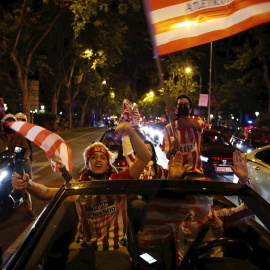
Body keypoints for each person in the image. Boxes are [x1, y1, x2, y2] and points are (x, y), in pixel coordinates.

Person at [12, 121, 152, 270]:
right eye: (94, 157)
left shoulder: (118, 183)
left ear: (108, 164)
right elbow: (45, 192)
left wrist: (131, 133)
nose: (98, 160)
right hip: (81, 250)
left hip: (114, 251)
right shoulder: (78, 187)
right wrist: (28, 183)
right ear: (88, 163)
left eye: (102, 157)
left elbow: (144, 158)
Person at [139, 150, 254, 267]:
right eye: (199, 194)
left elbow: (250, 209)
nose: (204, 198)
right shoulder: (179, 216)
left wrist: (245, 181)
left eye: (208, 194)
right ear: (192, 196)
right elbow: (158, 214)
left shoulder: (219, 215)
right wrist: (171, 180)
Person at [1, 113, 36, 219]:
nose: (9, 126)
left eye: (11, 124)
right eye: (7, 124)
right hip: (4, 163)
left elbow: (28, 150)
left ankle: (29, 209)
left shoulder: (19, 135)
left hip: (19, 163)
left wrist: (21, 156)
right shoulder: (1, 137)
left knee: (23, 186)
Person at [162, 94, 204, 180]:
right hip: (175, 173)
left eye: (185, 105)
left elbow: (195, 125)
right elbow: (168, 156)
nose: (183, 106)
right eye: (180, 104)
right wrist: (173, 149)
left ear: (190, 110)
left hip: (194, 173)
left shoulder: (197, 121)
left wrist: (176, 117)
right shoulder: (168, 129)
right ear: (175, 109)